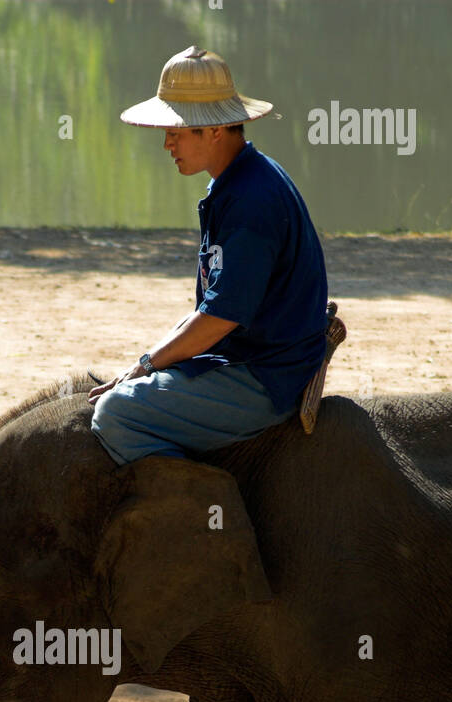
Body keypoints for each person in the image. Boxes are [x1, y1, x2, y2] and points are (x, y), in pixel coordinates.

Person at [89, 46, 329, 466]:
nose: (167, 143)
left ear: (214, 130)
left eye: (176, 131)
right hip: (247, 359)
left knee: (116, 414)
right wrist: (145, 362)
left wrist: (145, 366)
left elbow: (220, 316)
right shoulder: (239, 181)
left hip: (265, 378)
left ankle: (201, 506)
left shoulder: (252, 199)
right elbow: (211, 306)